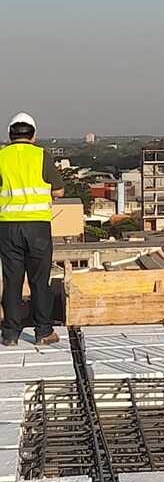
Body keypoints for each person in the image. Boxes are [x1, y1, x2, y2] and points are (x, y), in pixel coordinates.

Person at [0, 113, 65, 346]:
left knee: (12, 281)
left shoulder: (1, 156)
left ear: (10, 136)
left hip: (7, 227)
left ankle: (10, 334)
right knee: (39, 281)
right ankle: (43, 332)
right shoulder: (41, 156)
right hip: (37, 227)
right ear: (34, 136)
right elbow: (59, 191)